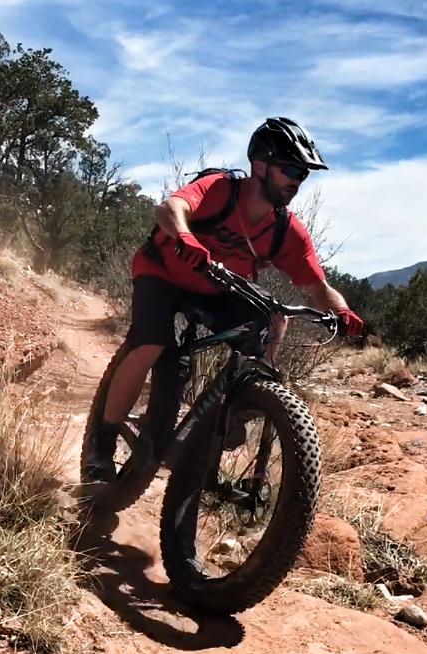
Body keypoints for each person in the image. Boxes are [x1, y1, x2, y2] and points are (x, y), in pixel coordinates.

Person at [83, 117, 364, 482]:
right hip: (162, 274)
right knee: (150, 344)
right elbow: (170, 209)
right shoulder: (220, 189)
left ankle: (240, 403)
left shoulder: (285, 230)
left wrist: (340, 310)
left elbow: (318, 286)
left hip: (215, 289)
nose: (297, 180)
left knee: (273, 318)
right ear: (260, 166)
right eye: (290, 169)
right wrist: (185, 237)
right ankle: (101, 445)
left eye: (303, 174)